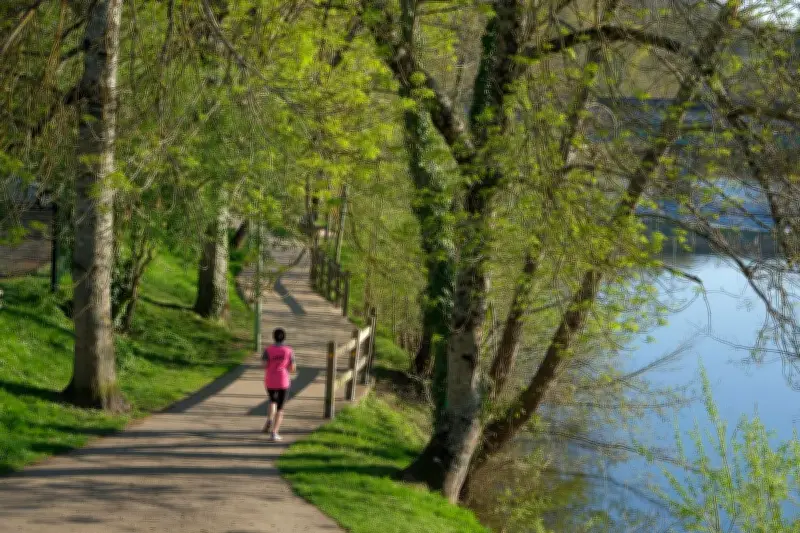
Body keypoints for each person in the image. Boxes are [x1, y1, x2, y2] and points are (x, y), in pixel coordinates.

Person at [261, 328, 295, 441]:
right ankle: (274, 432)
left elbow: (264, 365)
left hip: (270, 379)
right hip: (283, 381)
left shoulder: (268, 350)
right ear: (284, 337)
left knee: (272, 401)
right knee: (280, 408)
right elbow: (292, 368)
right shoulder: (289, 350)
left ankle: (270, 419)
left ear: (273, 337)